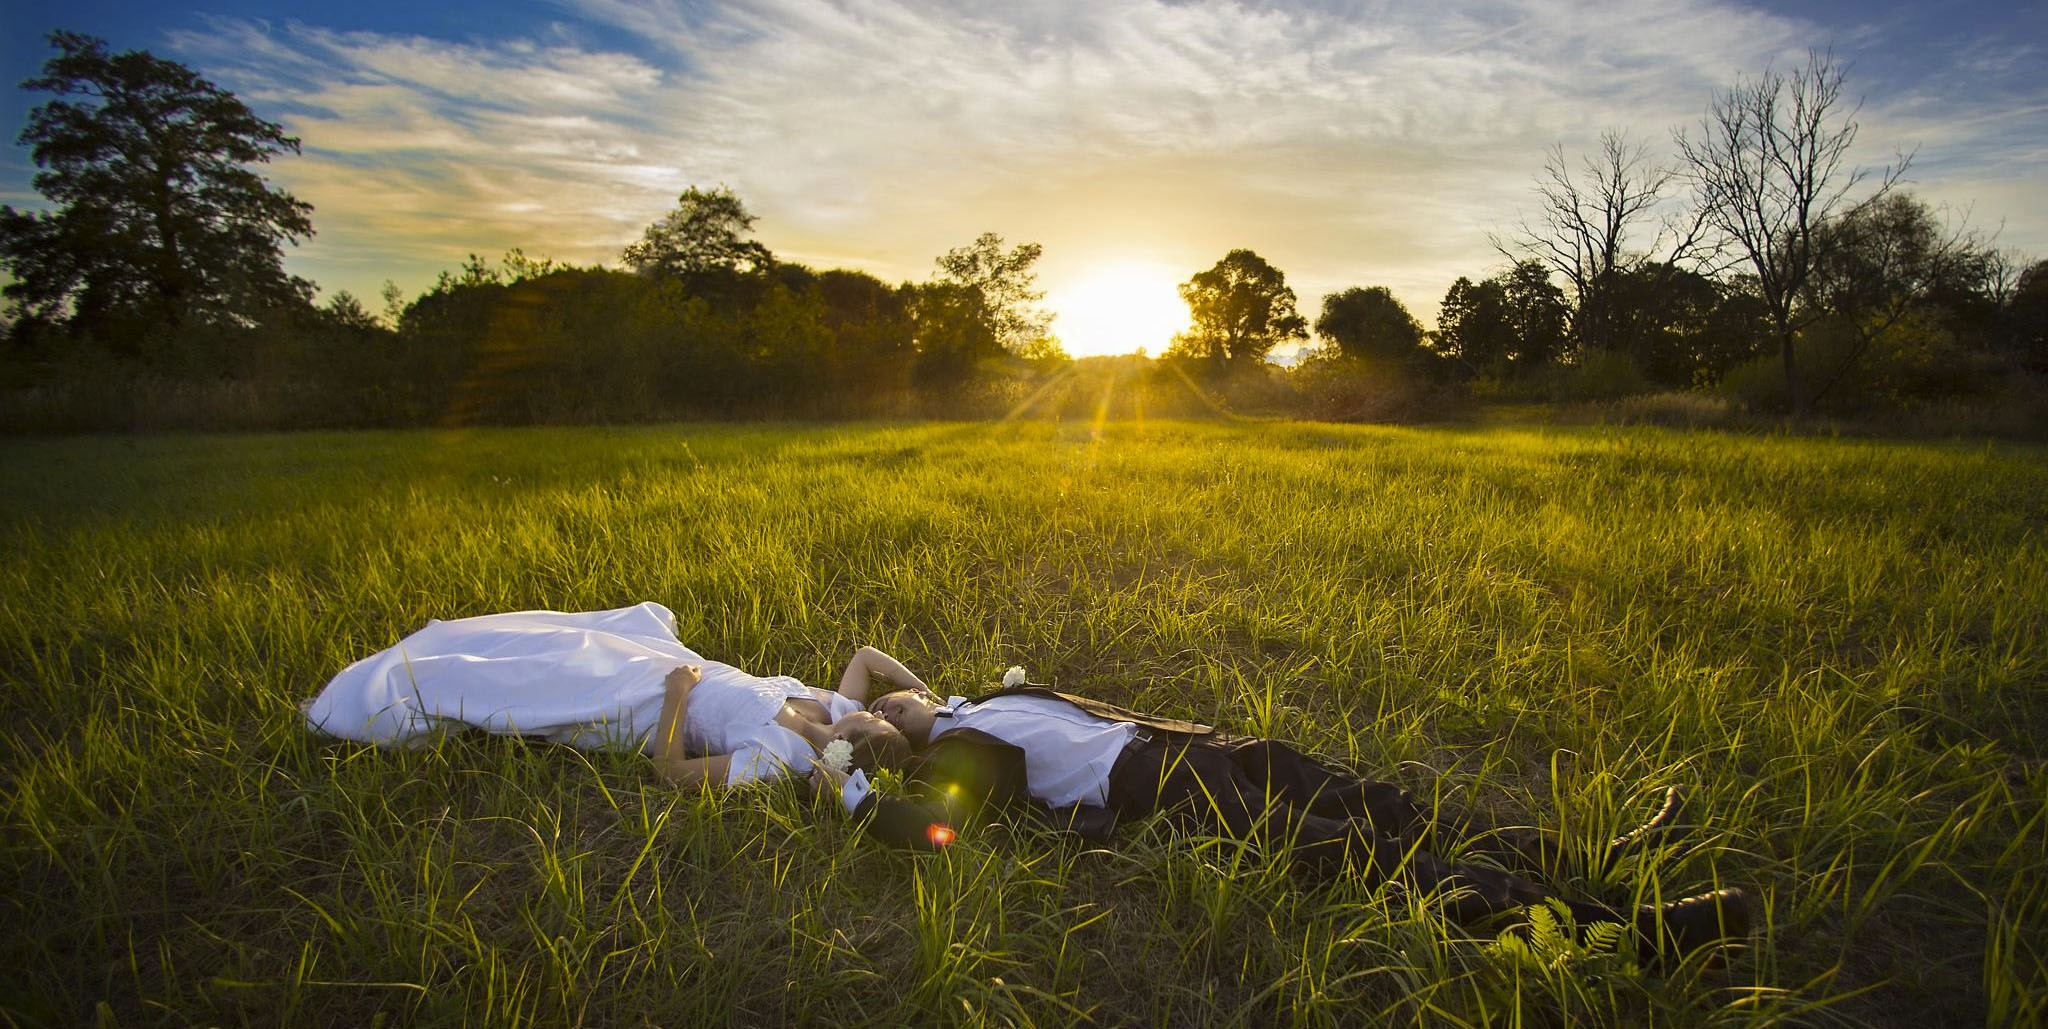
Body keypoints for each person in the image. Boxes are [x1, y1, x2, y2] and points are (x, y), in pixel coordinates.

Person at [813, 675, 1750, 964]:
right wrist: (849, 782)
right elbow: (930, 830)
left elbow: (864, 657)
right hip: (1160, 788)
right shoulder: (951, 757)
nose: (887, 699)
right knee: (1359, 856)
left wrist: (890, 704)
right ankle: (1621, 940)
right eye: (875, 714)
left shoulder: (974, 700)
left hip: (1193, 743)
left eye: (886, 699)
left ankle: (1592, 857)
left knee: (1379, 801)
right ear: (889, 742)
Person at [301, 602, 912, 786]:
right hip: (679, 665)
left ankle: (390, 691)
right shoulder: (830, 706)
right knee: (559, 638)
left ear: (844, 748)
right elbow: (864, 657)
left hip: (651, 699)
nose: (868, 709)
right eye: (876, 711)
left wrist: (676, 696)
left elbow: (672, 772)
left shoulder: (778, 760)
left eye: (868, 723)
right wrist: (923, 694)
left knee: (531, 678)